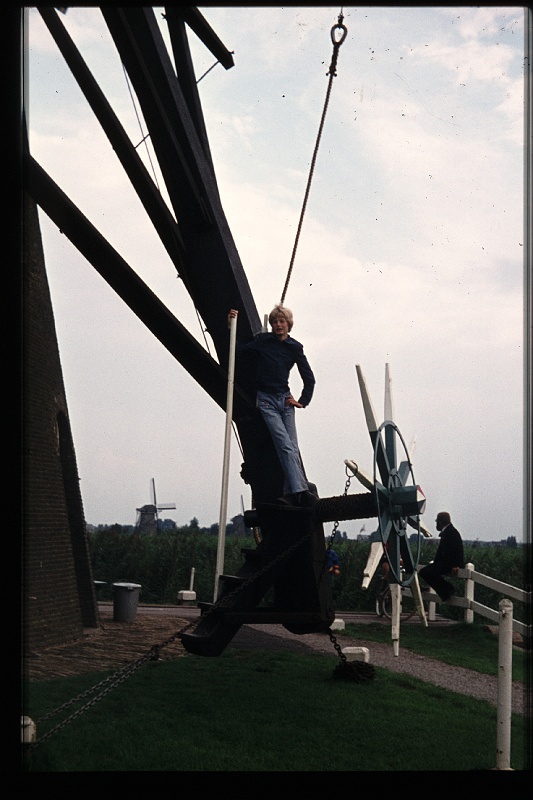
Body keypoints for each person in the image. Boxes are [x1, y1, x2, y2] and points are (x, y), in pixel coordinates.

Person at [228, 305, 316, 506]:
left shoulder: (295, 347)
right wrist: (231, 328)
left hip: (285, 401)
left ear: (288, 324)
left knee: (291, 447)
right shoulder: (264, 341)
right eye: (275, 322)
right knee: (284, 445)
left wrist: (302, 401)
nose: (278, 325)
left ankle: (289, 494)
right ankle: (301, 492)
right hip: (266, 401)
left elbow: (309, 378)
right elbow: (239, 352)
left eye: (282, 321)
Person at [419, 511, 464, 601]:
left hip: (449, 563)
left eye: (437, 522)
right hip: (445, 562)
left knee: (426, 572)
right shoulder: (449, 531)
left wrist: (457, 565)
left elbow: (457, 550)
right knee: (424, 572)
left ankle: (447, 589)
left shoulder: (451, 533)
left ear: (440, 522)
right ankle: (444, 591)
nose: (436, 524)